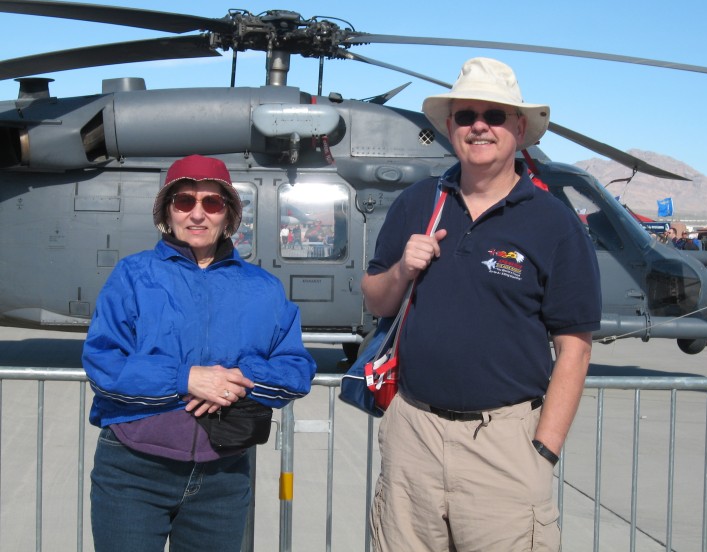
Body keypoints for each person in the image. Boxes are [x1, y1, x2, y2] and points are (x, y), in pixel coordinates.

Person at [362, 58, 602, 551]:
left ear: (519, 128)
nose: (479, 125)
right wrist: (403, 269)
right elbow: (374, 298)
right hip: (414, 436)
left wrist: (543, 451)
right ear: (450, 127)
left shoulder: (553, 223)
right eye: (466, 114)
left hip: (504, 445)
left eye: (494, 115)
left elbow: (574, 347)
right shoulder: (416, 202)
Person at [82, 155, 316, 552]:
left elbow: (296, 367)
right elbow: (104, 361)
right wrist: (185, 378)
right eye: (184, 201)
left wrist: (240, 378)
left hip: (222, 478)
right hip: (134, 473)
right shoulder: (132, 276)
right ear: (167, 212)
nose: (197, 214)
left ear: (228, 215)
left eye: (211, 203)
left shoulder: (263, 288)